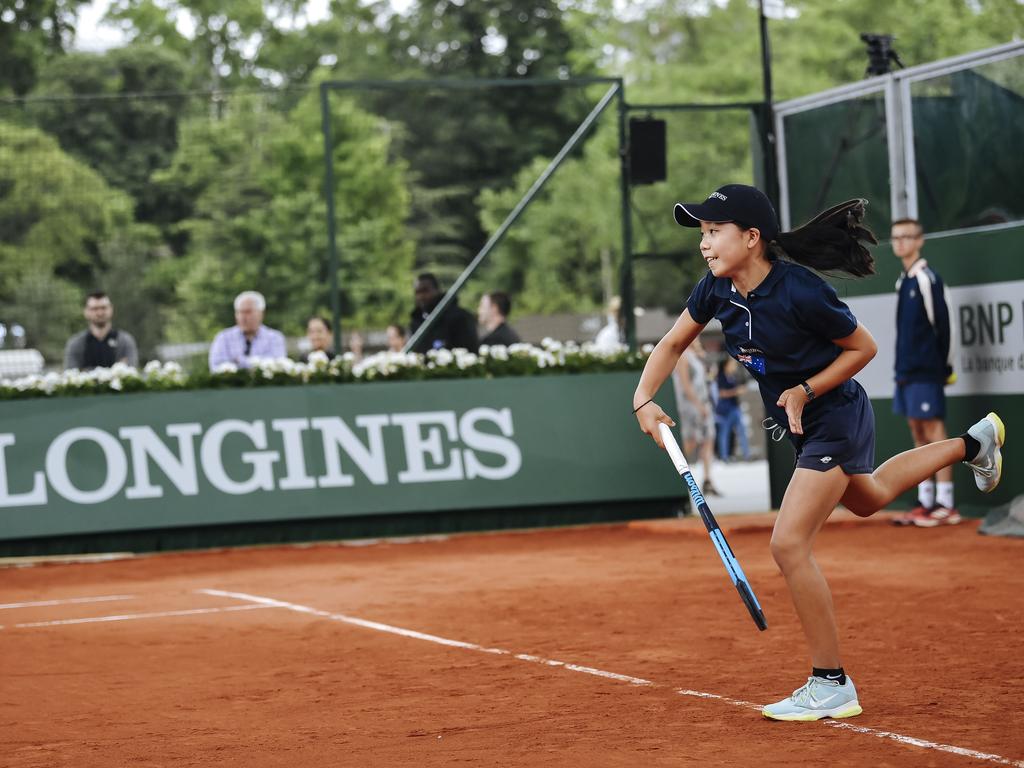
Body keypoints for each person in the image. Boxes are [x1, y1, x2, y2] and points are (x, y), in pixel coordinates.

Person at [632, 184, 1004, 722]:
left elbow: (864, 348)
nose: (704, 245)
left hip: (833, 413)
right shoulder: (716, 290)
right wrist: (643, 398)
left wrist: (805, 390)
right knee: (870, 497)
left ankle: (831, 682)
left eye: (715, 232)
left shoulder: (800, 291)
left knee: (788, 544)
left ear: (751, 238)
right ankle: (975, 442)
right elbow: (671, 343)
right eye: (703, 234)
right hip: (804, 422)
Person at [890, 219, 958, 527]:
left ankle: (946, 503)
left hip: (928, 370)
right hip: (905, 371)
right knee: (917, 433)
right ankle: (925, 500)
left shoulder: (928, 280)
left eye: (907, 237)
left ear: (920, 241)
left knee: (934, 434)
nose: (901, 243)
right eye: (896, 238)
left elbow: (946, 327)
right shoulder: (902, 282)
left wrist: (945, 366)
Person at [672, 337, 719, 496]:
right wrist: (698, 405)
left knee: (708, 440)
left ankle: (707, 480)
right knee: (691, 441)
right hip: (690, 407)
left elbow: (708, 377)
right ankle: (677, 476)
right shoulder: (683, 356)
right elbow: (685, 384)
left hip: (705, 403)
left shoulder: (698, 355)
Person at [208, 291, 286, 370]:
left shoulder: (274, 338)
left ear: (261, 313)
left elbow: (276, 367)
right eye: (239, 312)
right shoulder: (223, 337)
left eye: (248, 312)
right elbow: (216, 368)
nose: (243, 317)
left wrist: (238, 361)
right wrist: (257, 363)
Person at [63, 291, 139, 370]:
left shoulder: (125, 341)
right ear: (86, 311)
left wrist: (85, 371)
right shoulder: (76, 343)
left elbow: (130, 372)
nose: (100, 313)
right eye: (94, 309)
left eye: (103, 308)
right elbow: (71, 374)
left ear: (111, 309)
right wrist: (116, 370)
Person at [408, 273, 478, 353]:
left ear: (437, 290)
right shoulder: (417, 321)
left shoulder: (459, 317)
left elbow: (469, 350)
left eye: (425, 291)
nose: (421, 296)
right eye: (417, 292)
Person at [715, 357, 752, 461]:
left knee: (742, 431)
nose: (734, 366)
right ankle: (724, 457)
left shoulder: (732, 376)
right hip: (726, 409)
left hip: (735, 407)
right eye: (732, 364)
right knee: (724, 433)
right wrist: (736, 391)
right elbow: (722, 393)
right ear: (726, 365)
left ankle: (746, 455)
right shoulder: (721, 377)